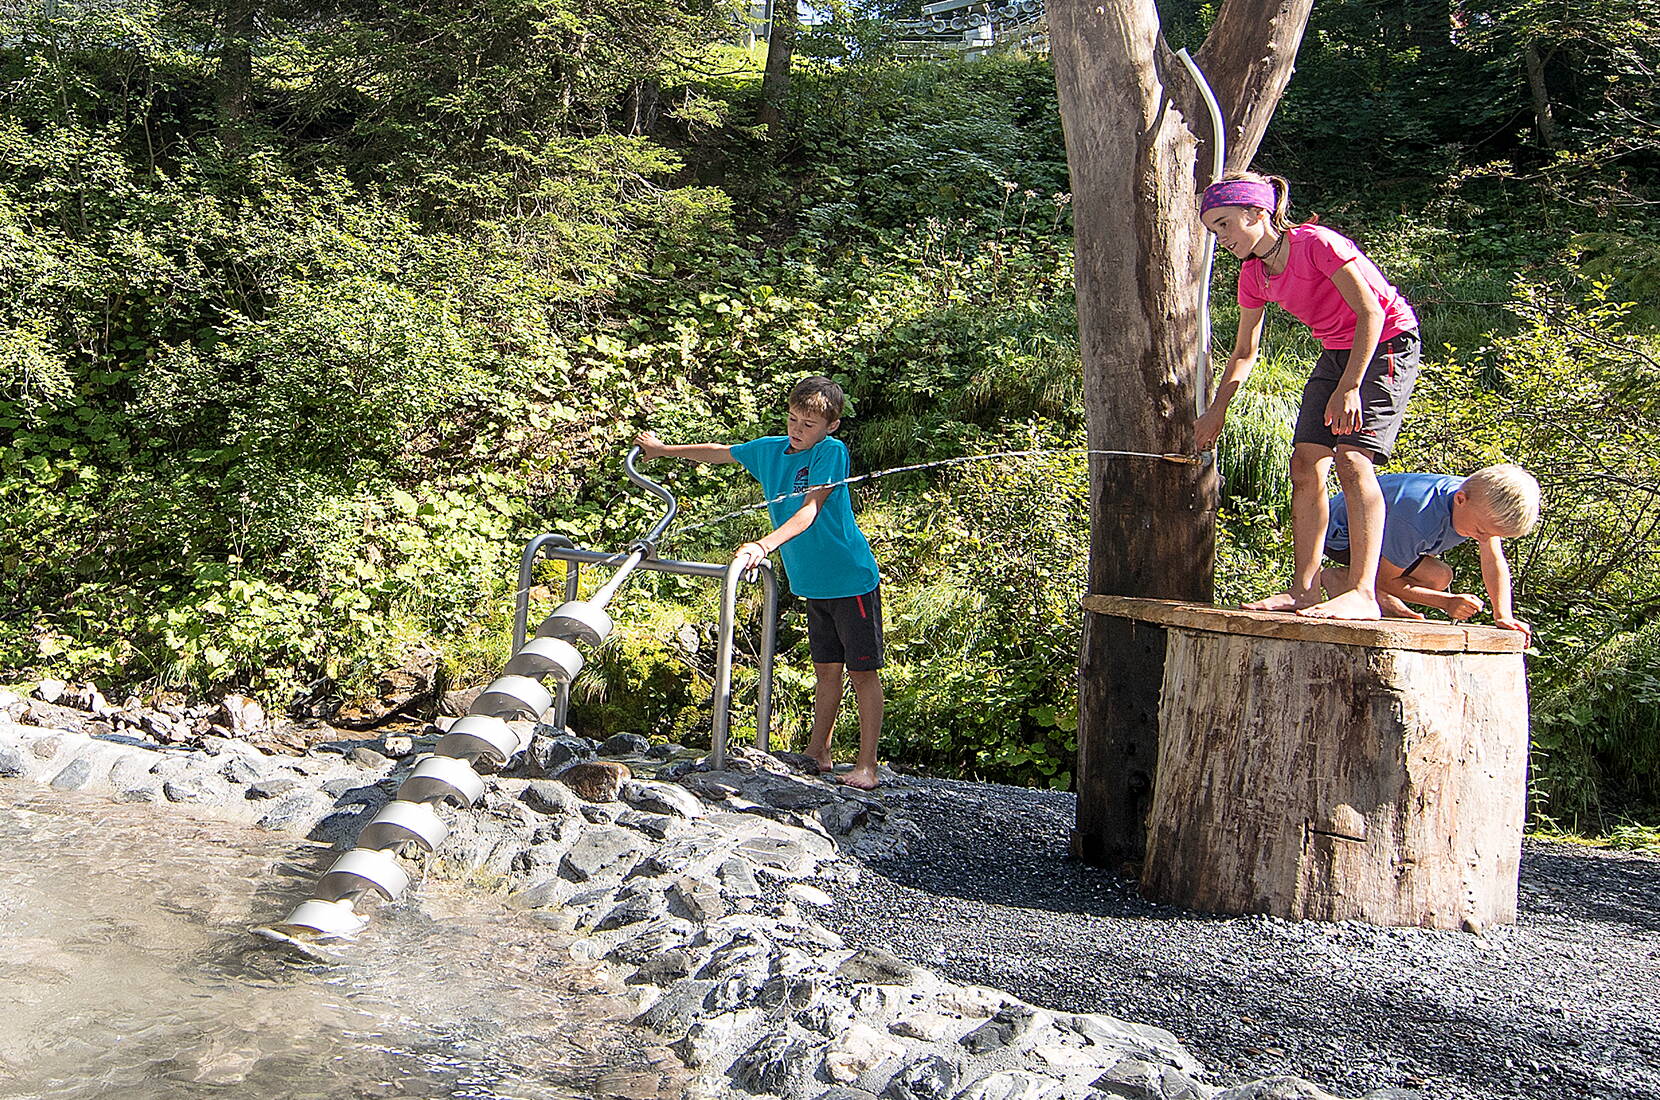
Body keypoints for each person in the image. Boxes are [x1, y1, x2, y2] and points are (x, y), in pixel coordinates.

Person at [633, 376, 884, 789]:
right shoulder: (770, 450)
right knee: (826, 670)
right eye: (793, 419)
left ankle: (867, 766)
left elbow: (809, 512)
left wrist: (762, 546)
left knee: (862, 673)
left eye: (808, 423)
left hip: (850, 579)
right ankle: (819, 750)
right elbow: (718, 453)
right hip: (813, 584)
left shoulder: (830, 452)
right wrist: (663, 451)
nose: (797, 429)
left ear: (830, 426)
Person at [1194, 171, 1423, 621]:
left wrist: (1351, 386)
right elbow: (1244, 351)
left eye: (1224, 224)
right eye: (1213, 230)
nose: (1221, 238)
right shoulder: (1254, 275)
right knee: (1305, 462)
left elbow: (1370, 312)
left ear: (1257, 212)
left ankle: (1362, 591)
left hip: (1388, 342)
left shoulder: (1316, 243)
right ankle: (1305, 590)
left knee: (1353, 460)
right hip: (1337, 351)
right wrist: (1216, 411)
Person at [1318, 465, 1541, 641]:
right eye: (1481, 531)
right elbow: (1385, 578)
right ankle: (1346, 581)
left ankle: (1372, 594)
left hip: (1389, 536)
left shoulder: (1477, 504)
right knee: (1432, 578)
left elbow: (1493, 562)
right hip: (1345, 538)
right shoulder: (1419, 516)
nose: (1483, 538)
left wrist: (1503, 615)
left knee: (1439, 575)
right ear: (1460, 500)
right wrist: (1446, 602)